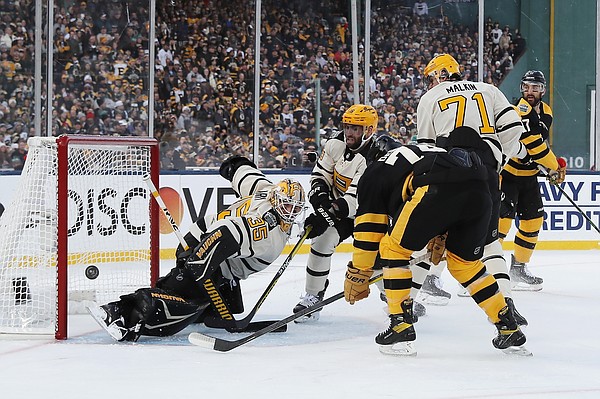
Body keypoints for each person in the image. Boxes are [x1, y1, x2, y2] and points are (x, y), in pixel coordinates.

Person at [89, 155, 306, 341]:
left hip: (216, 255)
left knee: (211, 302)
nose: (290, 212)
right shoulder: (267, 232)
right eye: (287, 205)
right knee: (180, 303)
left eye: (296, 208)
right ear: (276, 198)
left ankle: (206, 307)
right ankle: (119, 314)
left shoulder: (265, 191)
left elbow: (245, 174)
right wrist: (199, 260)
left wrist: (235, 166)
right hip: (204, 246)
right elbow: (227, 232)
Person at [345, 136, 529, 356]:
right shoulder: (424, 151)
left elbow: (369, 231)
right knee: (465, 265)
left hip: (436, 188)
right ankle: (508, 325)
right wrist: (439, 231)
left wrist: (359, 272)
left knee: (393, 250)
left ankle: (400, 324)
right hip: (480, 189)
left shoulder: (375, 171)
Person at [415, 53, 536, 326]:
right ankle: (505, 304)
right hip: (485, 175)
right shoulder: (488, 89)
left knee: (424, 239)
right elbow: (513, 126)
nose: (429, 83)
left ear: (441, 74)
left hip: (447, 175)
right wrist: (496, 158)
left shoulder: (430, 99)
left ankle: (404, 303)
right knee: (490, 241)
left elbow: (426, 148)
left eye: (430, 78)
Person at [293, 104, 412, 322]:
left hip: (372, 213)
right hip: (341, 209)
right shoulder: (335, 143)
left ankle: (395, 301)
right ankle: (313, 296)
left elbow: (357, 199)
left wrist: (327, 213)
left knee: (380, 259)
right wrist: (320, 197)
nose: (349, 132)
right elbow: (320, 174)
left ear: (368, 130)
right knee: (321, 241)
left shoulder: (375, 157)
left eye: (355, 129)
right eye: (347, 127)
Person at [499, 70, 566, 291]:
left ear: (543, 90)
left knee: (533, 221)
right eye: (526, 87)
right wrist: (553, 166)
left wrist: (546, 163)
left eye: (535, 87)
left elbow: (540, 145)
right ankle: (486, 271)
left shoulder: (546, 111)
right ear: (521, 88)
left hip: (528, 178)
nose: (530, 91)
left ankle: (518, 268)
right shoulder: (519, 110)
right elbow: (532, 144)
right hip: (508, 175)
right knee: (501, 224)